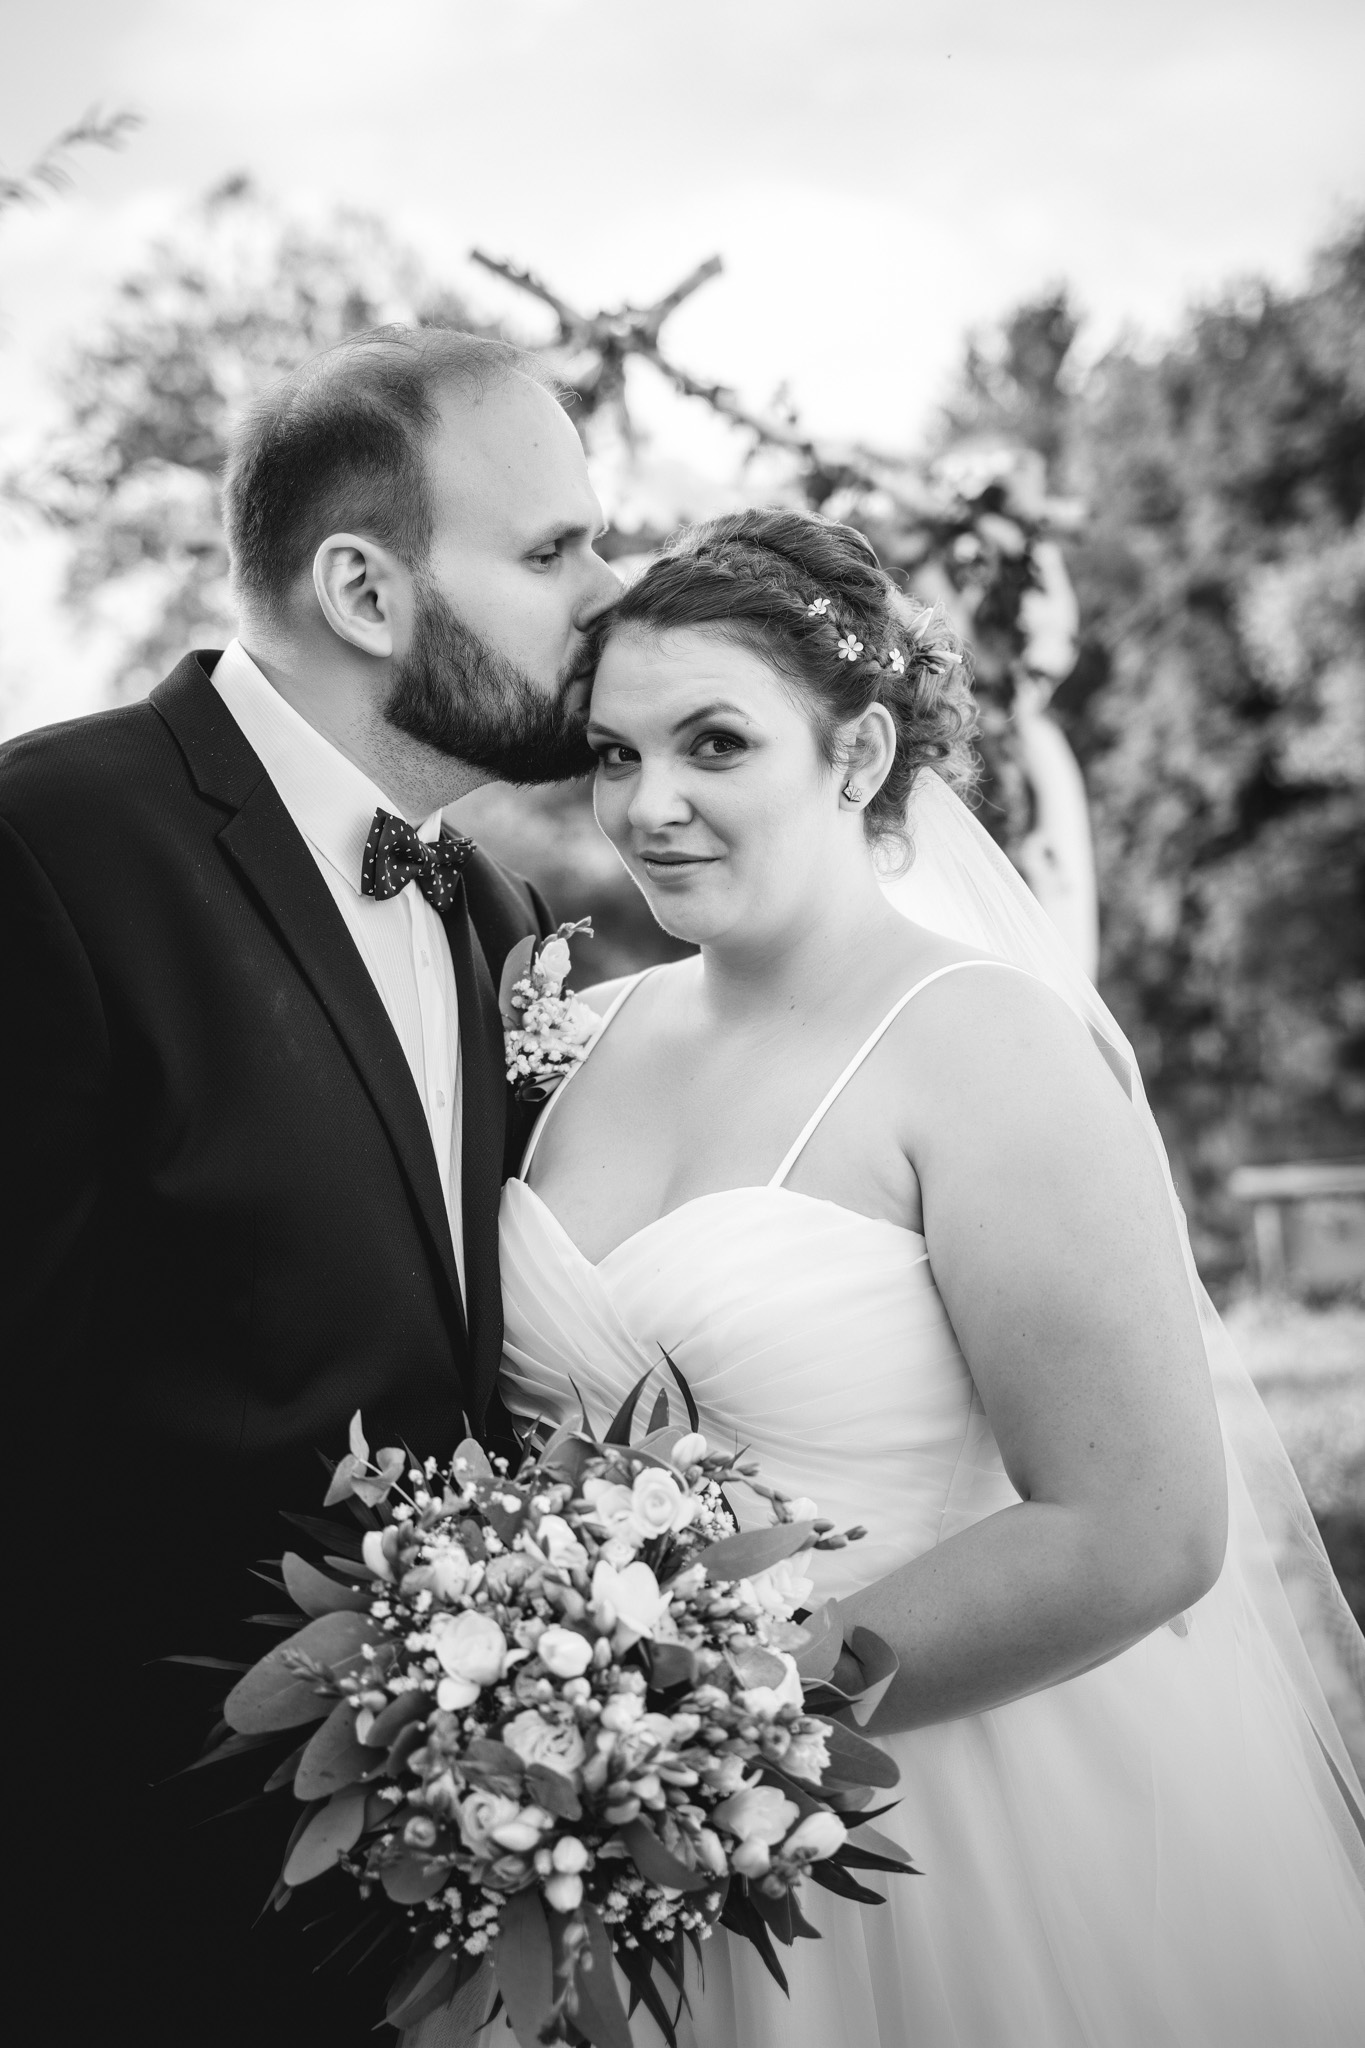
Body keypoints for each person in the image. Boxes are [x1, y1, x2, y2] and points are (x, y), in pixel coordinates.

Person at [497, 509, 1365, 2047]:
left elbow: (1141, 1527)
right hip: (588, 1842)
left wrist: (701, 1724)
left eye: (713, 744)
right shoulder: (575, 1037)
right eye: (614, 754)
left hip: (924, 1838)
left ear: (857, 753)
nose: (648, 804)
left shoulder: (987, 1047)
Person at [0, 326, 618, 2046]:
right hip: (110, 1902)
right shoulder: (47, 847)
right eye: (553, 550)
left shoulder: (493, 913)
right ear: (363, 588)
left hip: (437, 1903)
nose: (609, 594)